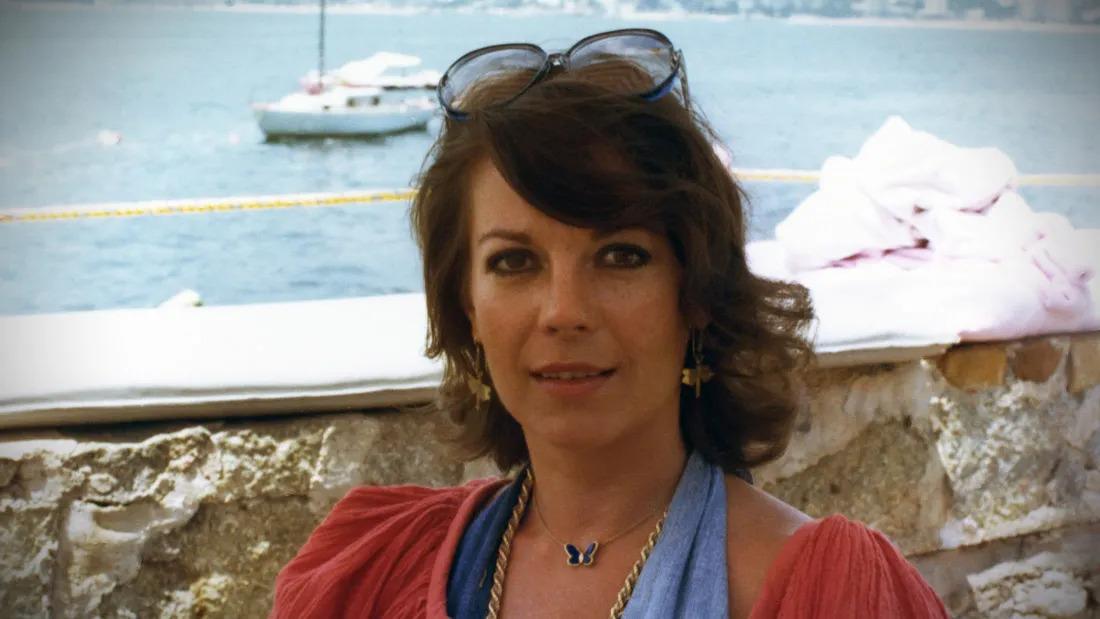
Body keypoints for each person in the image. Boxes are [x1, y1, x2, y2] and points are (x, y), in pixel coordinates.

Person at [270, 28, 949, 619]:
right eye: (514, 261)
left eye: (620, 255)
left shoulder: (823, 593)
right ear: (466, 307)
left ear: (696, 292)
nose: (564, 310)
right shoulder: (371, 574)